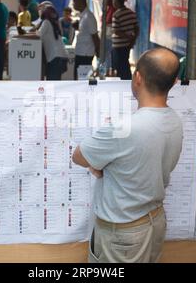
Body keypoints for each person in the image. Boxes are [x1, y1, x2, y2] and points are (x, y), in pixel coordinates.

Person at [72, 48, 183, 263]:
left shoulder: (124, 127)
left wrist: (103, 167)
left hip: (124, 233)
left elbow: (79, 156)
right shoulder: (175, 120)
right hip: (155, 221)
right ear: (174, 82)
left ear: (138, 77)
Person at [72, 0, 100, 80]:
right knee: (77, 78)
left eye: (74, 1)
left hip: (86, 54)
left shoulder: (89, 17)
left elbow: (95, 36)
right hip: (80, 52)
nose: (73, 4)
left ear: (81, 2)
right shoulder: (83, 16)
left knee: (83, 80)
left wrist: (98, 52)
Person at [36, 5, 68, 80]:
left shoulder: (46, 22)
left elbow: (38, 35)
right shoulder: (55, 23)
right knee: (55, 84)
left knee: (52, 84)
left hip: (54, 58)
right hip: (61, 57)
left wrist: (33, 31)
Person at [111, 0, 139, 80]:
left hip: (118, 46)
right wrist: (132, 40)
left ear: (117, 2)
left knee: (119, 67)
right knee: (125, 64)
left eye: (114, 1)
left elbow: (116, 31)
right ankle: (128, 81)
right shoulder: (131, 13)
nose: (113, 3)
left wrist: (128, 37)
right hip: (127, 45)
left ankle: (123, 82)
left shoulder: (116, 15)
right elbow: (136, 28)